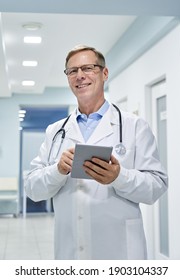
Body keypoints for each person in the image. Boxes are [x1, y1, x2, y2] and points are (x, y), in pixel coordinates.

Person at [25, 45, 168, 260]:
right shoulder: (55, 132)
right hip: (70, 250)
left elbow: (156, 186)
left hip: (120, 251)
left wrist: (119, 177)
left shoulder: (135, 126)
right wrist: (57, 170)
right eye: (72, 71)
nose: (80, 76)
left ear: (104, 73)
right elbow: (32, 189)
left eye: (88, 68)